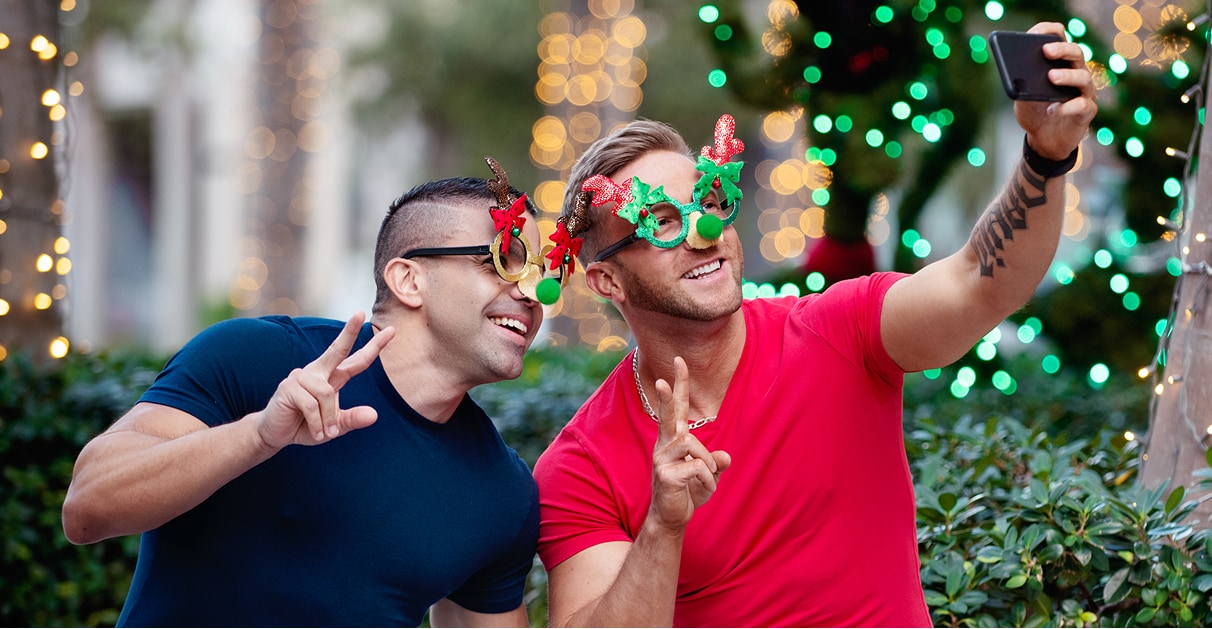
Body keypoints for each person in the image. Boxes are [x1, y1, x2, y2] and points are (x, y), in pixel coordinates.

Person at [533, 21, 1097, 627]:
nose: (705, 234)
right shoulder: (579, 466)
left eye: (711, 201)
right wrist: (663, 527)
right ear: (608, 282)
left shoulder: (840, 329)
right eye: (663, 223)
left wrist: (1046, 157)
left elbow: (978, 283)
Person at [62, 158, 578, 627]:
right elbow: (87, 509)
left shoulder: (502, 494)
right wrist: (259, 436)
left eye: (541, 271)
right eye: (502, 261)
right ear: (408, 280)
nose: (534, 294)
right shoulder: (257, 356)